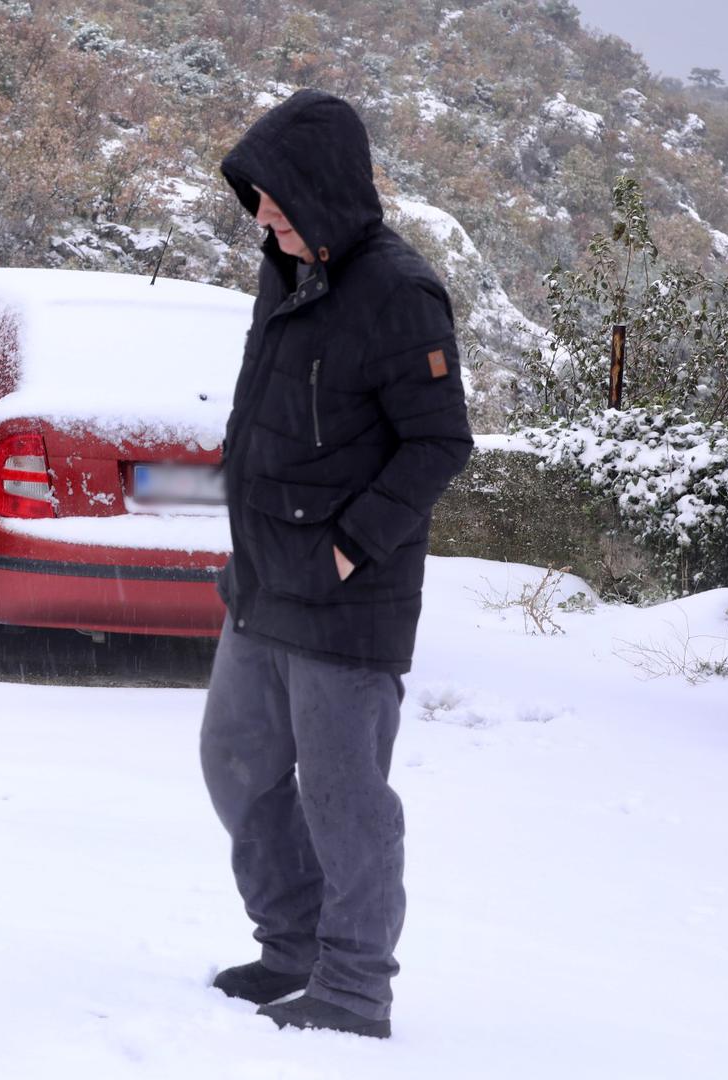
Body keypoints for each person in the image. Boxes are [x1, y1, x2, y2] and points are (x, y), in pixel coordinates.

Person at [201, 89, 473, 1038]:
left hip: (349, 599)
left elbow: (440, 442)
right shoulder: (286, 270)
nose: (263, 218)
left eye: (276, 200)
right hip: (263, 582)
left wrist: (354, 546)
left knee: (343, 796)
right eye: (260, 201)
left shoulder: (401, 292)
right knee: (235, 764)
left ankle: (355, 988)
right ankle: (293, 947)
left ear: (322, 193)